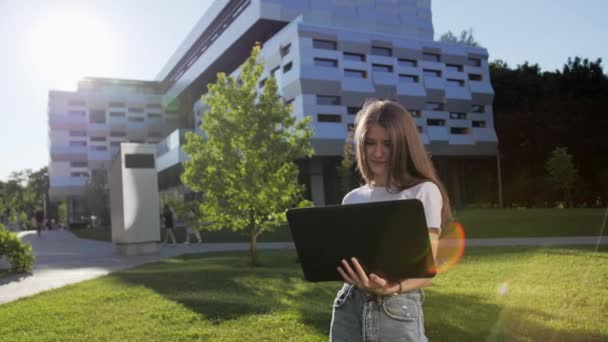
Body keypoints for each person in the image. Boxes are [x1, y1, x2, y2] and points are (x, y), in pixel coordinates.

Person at [330, 99, 452, 341]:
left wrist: (391, 288)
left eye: (388, 144)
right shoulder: (351, 199)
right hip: (349, 304)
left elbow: (428, 272)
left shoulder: (423, 192)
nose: (377, 153)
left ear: (404, 145)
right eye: (370, 143)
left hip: (396, 306)